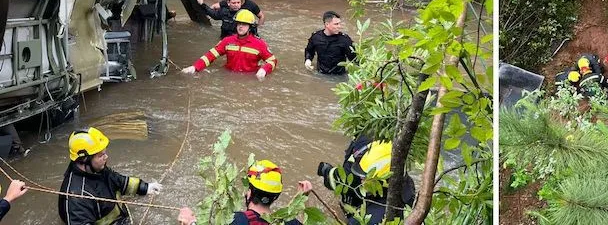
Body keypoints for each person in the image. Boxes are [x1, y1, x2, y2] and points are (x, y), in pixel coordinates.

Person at [58, 127, 163, 224]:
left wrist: (145, 187)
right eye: (101, 155)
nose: (106, 157)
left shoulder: (97, 169)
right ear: (84, 159)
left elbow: (118, 181)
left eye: (105, 153)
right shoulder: (76, 198)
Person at [177, 161, 312, 225]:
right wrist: (300, 199)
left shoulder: (234, 220)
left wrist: (191, 222)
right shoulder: (291, 222)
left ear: (250, 192)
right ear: (276, 196)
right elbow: (280, 218)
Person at [330, 136, 415, 225]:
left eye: (365, 177)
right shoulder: (406, 185)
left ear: (382, 182)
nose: (361, 180)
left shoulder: (364, 220)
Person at [182, 10, 276, 81]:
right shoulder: (227, 41)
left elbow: (272, 61)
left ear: (250, 27)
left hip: (249, 79)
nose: (240, 26)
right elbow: (210, 56)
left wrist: (264, 70)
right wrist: (195, 67)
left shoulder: (259, 44)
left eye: (244, 24)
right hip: (228, 78)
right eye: (239, 23)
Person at [305, 11, 356, 75]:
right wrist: (308, 60)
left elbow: (354, 59)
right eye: (336, 24)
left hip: (339, 76)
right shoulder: (316, 37)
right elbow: (309, 51)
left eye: (339, 23)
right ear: (327, 24)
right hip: (320, 74)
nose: (339, 26)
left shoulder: (344, 39)